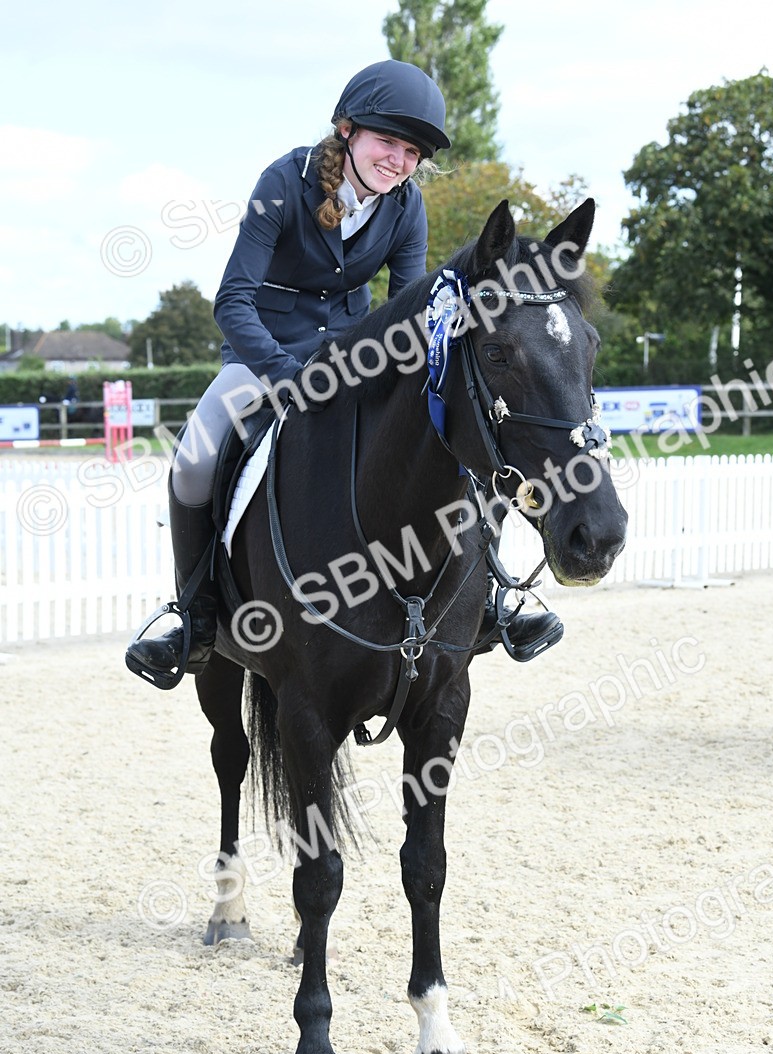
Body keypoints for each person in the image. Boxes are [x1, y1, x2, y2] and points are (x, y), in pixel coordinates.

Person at [126, 59, 561, 684]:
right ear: (348, 130)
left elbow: (410, 310)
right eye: (388, 142)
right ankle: (192, 618)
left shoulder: (407, 206)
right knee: (195, 459)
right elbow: (233, 302)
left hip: (359, 360)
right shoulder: (283, 181)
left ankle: (492, 595)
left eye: (412, 151)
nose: (399, 161)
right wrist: (285, 375)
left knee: (452, 438)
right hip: (265, 355)